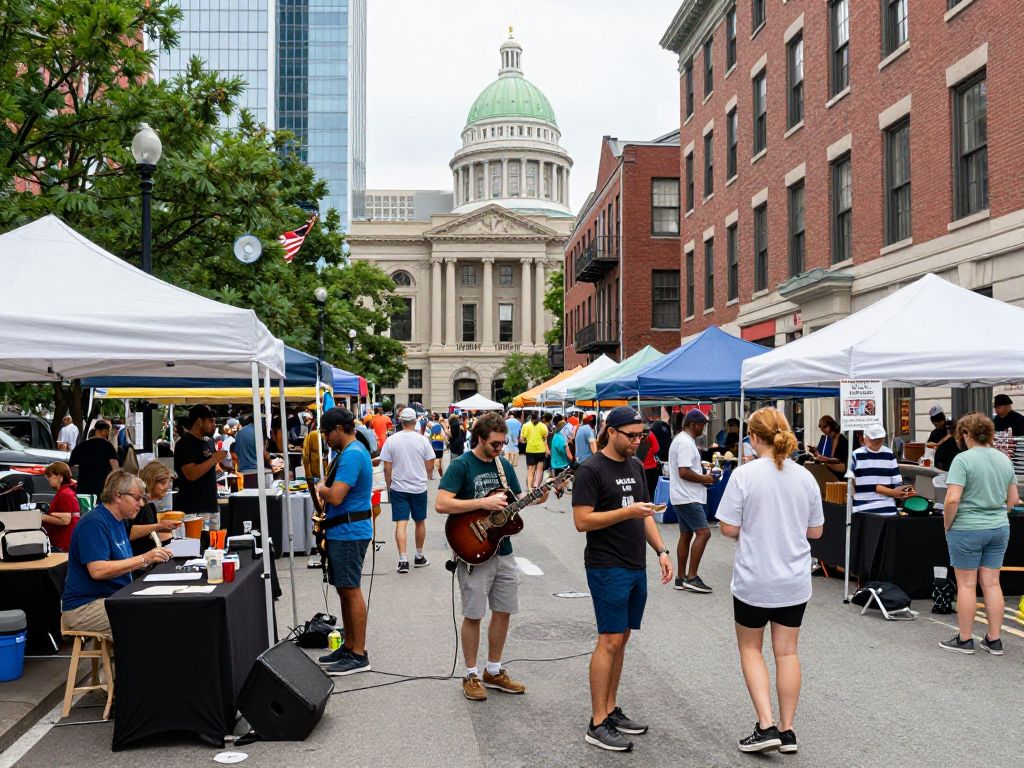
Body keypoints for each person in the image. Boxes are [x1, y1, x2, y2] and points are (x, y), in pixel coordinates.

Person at [716, 407, 824, 755]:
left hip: (754, 577)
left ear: (753, 437)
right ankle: (788, 729)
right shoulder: (805, 477)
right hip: (793, 578)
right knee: (788, 652)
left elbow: (728, 527)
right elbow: (816, 531)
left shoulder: (745, 476)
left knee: (751, 648)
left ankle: (766, 725)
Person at [571, 406, 673, 752]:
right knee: (609, 640)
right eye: (631, 435)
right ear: (611, 432)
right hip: (606, 565)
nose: (637, 441)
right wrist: (626, 512)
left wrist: (661, 550)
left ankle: (611, 709)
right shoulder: (591, 469)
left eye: (640, 435)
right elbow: (582, 521)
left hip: (635, 563)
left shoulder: (633, 465)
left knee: (623, 639)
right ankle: (597, 721)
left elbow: (644, 511)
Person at [435, 412, 547, 702]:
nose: (500, 448)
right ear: (480, 438)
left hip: (503, 550)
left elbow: (518, 501)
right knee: (474, 614)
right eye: (495, 444)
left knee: (504, 610)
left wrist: (543, 493)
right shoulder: (461, 465)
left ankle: (493, 670)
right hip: (473, 550)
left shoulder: (502, 466)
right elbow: (441, 503)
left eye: (503, 443)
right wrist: (482, 502)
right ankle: (470, 673)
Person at [939, 413, 1019, 655]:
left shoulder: (962, 460)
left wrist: (947, 524)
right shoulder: (1004, 459)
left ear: (965, 434)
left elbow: (952, 498)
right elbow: (1013, 499)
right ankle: (994, 639)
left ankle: (965, 639)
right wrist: (996, 512)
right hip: (998, 527)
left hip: (967, 527)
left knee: (966, 585)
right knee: (992, 583)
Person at [61, 471, 172, 639]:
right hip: (84, 607)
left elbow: (122, 564)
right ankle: (134, 664)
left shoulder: (119, 521)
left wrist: (147, 560)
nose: (141, 503)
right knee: (153, 619)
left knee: (162, 610)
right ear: (118, 496)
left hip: (111, 598)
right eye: (137, 498)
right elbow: (97, 570)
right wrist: (144, 558)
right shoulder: (94, 523)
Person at [315, 408, 375, 676]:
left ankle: (359, 654)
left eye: (327, 433)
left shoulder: (351, 454)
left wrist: (319, 487)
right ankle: (350, 646)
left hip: (350, 531)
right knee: (344, 589)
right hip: (344, 529)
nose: (326, 438)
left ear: (339, 429)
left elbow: (337, 496)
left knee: (351, 590)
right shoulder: (350, 451)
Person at [380, 408, 435, 573]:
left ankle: (403, 560)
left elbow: (387, 466)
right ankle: (419, 556)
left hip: (398, 487)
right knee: (420, 521)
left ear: (400, 421)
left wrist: (389, 483)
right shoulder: (422, 440)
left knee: (401, 523)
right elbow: (430, 462)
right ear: (415, 421)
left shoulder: (392, 440)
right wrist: (426, 475)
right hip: (418, 487)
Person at [668, 409, 716, 593]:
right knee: (704, 533)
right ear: (693, 425)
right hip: (688, 496)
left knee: (686, 535)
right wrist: (705, 478)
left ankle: (681, 578)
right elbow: (684, 471)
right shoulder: (686, 443)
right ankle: (692, 577)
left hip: (682, 495)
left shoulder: (681, 440)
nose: (704, 427)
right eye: (702, 424)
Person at [174, 404, 226, 527]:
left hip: (210, 506)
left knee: (215, 544)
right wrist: (214, 459)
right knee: (200, 544)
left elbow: (207, 468)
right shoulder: (184, 444)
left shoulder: (206, 442)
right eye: (210, 421)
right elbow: (191, 474)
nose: (214, 424)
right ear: (199, 422)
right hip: (194, 509)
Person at [849, 425, 913, 515]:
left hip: (887, 506)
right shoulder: (856, 455)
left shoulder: (889, 455)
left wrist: (902, 491)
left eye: (880, 440)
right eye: (873, 440)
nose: (877, 443)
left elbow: (897, 483)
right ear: (865, 438)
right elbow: (851, 482)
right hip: (863, 507)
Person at [128, 462, 182, 557]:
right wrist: (159, 526)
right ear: (151, 482)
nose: (167, 487)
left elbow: (151, 535)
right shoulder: (136, 506)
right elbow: (128, 532)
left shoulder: (150, 506)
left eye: (168, 482)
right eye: (162, 483)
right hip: (138, 561)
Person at [68, 420, 119, 497]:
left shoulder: (82, 446)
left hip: (83, 488)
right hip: (102, 489)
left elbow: (71, 466)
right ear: (101, 431)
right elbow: (115, 468)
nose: (107, 433)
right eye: (106, 431)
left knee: (84, 509)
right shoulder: (108, 447)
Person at [42, 461, 80, 552]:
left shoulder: (65, 494)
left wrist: (42, 517)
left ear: (59, 476)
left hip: (64, 545)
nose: (48, 479)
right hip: (65, 543)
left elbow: (65, 520)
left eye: (50, 476)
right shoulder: (67, 491)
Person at [521, 412, 549, 491]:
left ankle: (530, 487)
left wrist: (528, 440)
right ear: (539, 418)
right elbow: (545, 436)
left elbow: (522, 439)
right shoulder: (543, 426)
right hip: (540, 450)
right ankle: (536, 486)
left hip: (530, 450)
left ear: (531, 418)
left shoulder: (525, 425)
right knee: (539, 469)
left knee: (530, 470)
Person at [550, 421, 570, 498]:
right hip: (561, 462)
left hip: (556, 462)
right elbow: (563, 451)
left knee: (560, 478)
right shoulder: (560, 438)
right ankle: (558, 489)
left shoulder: (556, 435)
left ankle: (558, 488)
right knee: (563, 479)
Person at [639, 429, 661, 500]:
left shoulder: (632, 432)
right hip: (651, 467)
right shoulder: (649, 433)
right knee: (650, 491)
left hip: (637, 466)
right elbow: (656, 448)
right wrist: (649, 452)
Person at [427, 413, 447, 479]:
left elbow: (431, 437)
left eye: (433, 416)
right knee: (439, 461)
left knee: (434, 460)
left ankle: (431, 476)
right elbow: (444, 436)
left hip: (435, 445)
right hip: (439, 445)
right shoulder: (438, 425)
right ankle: (440, 475)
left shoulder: (434, 425)